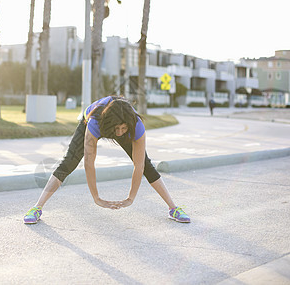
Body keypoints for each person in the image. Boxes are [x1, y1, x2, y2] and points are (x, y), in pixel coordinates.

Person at [23, 96, 190, 224]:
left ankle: (173, 208)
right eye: (116, 129)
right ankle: (37, 208)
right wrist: (97, 198)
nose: (119, 133)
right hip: (96, 122)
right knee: (69, 162)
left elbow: (138, 166)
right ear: (110, 125)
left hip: (119, 122)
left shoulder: (136, 125)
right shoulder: (95, 122)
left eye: (123, 128)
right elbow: (89, 163)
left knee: (147, 165)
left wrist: (130, 198)